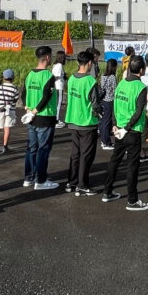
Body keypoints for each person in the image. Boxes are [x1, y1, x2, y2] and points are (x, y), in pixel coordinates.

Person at [101, 56, 148, 210]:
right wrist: (127, 127)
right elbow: (138, 111)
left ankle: (107, 191)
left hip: (120, 130)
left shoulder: (121, 83)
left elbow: (115, 105)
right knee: (132, 166)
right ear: (142, 70)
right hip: (132, 131)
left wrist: (116, 125)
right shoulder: (141, 87)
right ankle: (132, 200)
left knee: (115, 160)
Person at [65, 50, 103, 195]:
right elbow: (95, 104)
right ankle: (82, 184)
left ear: (77, 62)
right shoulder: (90, 81)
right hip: (87, 122)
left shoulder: (72, 78)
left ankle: (71, 182)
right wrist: (100, 113)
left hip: (73, 120)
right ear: (89, 63)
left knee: (75, 154)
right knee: (86, 155)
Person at [24, 46, 60, 191]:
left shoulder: (30, 74)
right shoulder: (48, 76)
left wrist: (28, 108)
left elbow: (23, 92)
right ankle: (41, 180)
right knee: (43, 150)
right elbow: (46, 96)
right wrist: (36, 110)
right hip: (44, 117)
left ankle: (29, 177)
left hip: (31, 118)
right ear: (47, 57)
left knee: (32, 148)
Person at [98, 59, 118, 150]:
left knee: (103, 122)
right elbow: (115, 90)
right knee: (107, 122)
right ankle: (106, 142)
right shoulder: (112, 77)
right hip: (110, 101)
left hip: (103, 100)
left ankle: (104, 141)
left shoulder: (103, 76)